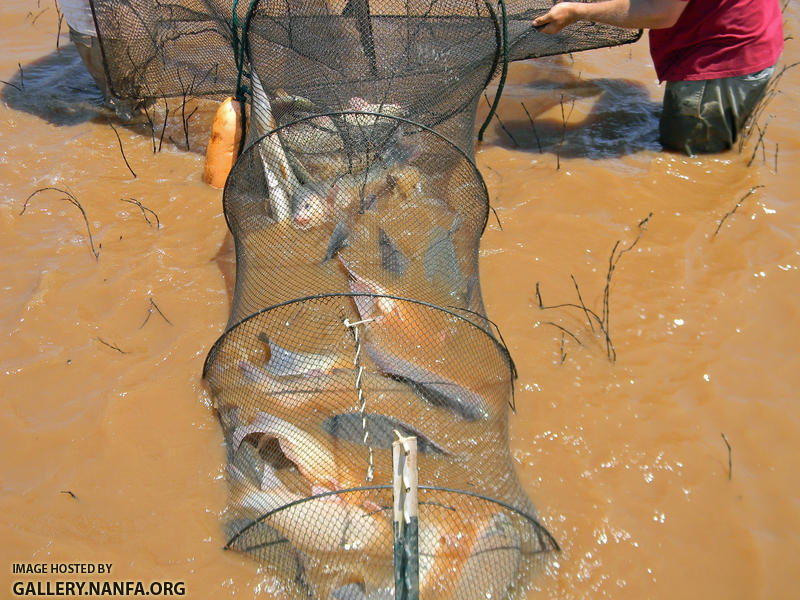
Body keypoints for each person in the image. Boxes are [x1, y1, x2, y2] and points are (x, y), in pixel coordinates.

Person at [532, 0, 784, 155]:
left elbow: (660, 12)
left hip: (720, 62)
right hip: (752, 45)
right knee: (715, 147)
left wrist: (577, 12)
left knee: (688, 162)